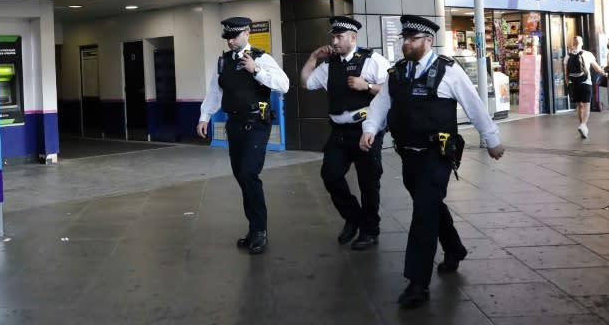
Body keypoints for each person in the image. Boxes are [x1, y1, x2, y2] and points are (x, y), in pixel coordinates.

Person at [358, 15, 505, 309]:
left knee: (423, 213)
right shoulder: (398, 73)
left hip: (437, 155)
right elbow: (380, 104)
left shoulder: (448, 72)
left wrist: (491, 139)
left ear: (428, 41)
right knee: (431, 205)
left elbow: (474, 105)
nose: (406, 44)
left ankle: (417, 283)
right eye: (405, 39)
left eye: (412, 39)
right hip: (408, 154)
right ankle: (454, 248)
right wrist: (370, 129)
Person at [196, 17, 289, 255]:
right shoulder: (223, 62)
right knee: (241, 175)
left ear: (247, 33)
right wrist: (204, 117)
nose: (230, 40)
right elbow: (215, 92)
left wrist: (256, 70)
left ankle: (260, 230)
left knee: (249, 173)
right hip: (234, 124)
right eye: (227, 37)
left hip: (256, 123)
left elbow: (283, 84)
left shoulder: (261, 57)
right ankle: (253, 228)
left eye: (234, 36)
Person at [299, 16, 390, 250]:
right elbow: (306, 83)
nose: (335, 41)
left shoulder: (372, 60)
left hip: (365, 131)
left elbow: (392, 90)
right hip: (339, 133)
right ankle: (354, 217)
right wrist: (312, 58)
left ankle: (370, 230)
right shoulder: (329, 65)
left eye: (339, 36)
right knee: (330, 175)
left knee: (368, 183)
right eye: (333, 36)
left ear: (353, 37)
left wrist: (367, 86)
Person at [564, 36, 605, 138]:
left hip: (573, 84)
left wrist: (568, 85)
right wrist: (604, 73)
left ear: (572, 44)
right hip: (586, 83)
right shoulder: (588, 54)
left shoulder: (567, 56)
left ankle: (582, 126)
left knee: (579, 106)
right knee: (586, 105)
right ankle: (583, 125)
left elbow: (566, 73)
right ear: (581, 43)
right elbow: (597, 68)